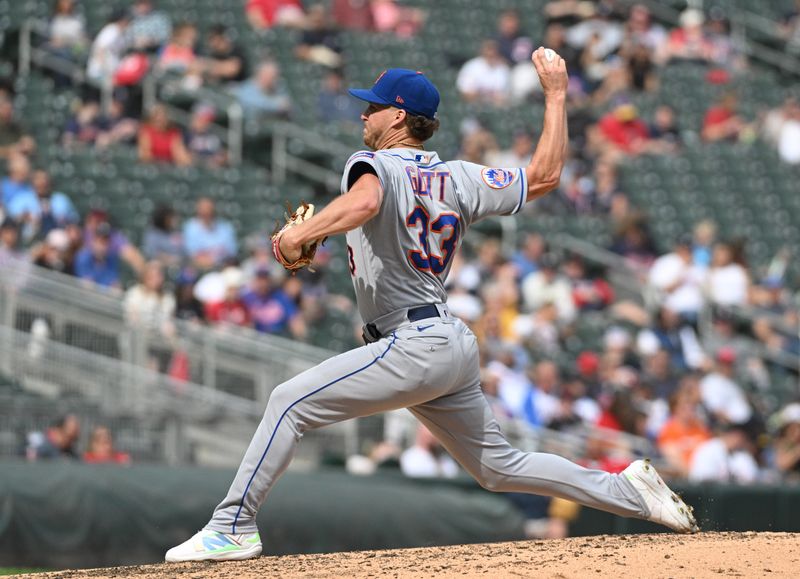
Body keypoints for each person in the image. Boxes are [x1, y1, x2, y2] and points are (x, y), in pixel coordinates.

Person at [165, 49, 697, 563]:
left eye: (372, 106)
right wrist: (556, 95)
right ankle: (633, 494)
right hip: (448, 343)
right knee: (498, 466)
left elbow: (368, 201)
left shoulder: (373, 163)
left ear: (398, 116)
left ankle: (231, 525)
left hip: (411, 343)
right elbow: (544, 177)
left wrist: (300, 233)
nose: (363, 113)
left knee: (287, 401)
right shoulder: (459, 176)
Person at [182, 197, 237, 269]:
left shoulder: (225, 227)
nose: (206, 213)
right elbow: (192, 255)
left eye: (209, 210)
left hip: (223, 268)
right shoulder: (191, 227)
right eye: (203, 211)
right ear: (198, 211)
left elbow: (231, 253)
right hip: (199, 269)